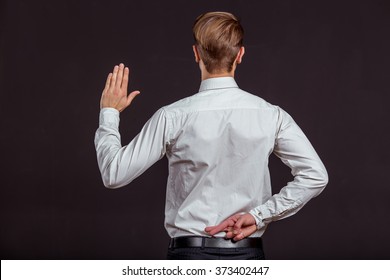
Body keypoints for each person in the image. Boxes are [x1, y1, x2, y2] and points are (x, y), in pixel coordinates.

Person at [94, 11, 328, 260]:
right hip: (247, 255)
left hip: (188, 257)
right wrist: (260, 215)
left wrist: (109, 112)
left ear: (196, 53)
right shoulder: (271, 115)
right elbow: (315, 176)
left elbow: (114, 173)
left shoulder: (172, 116)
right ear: (240, 54)